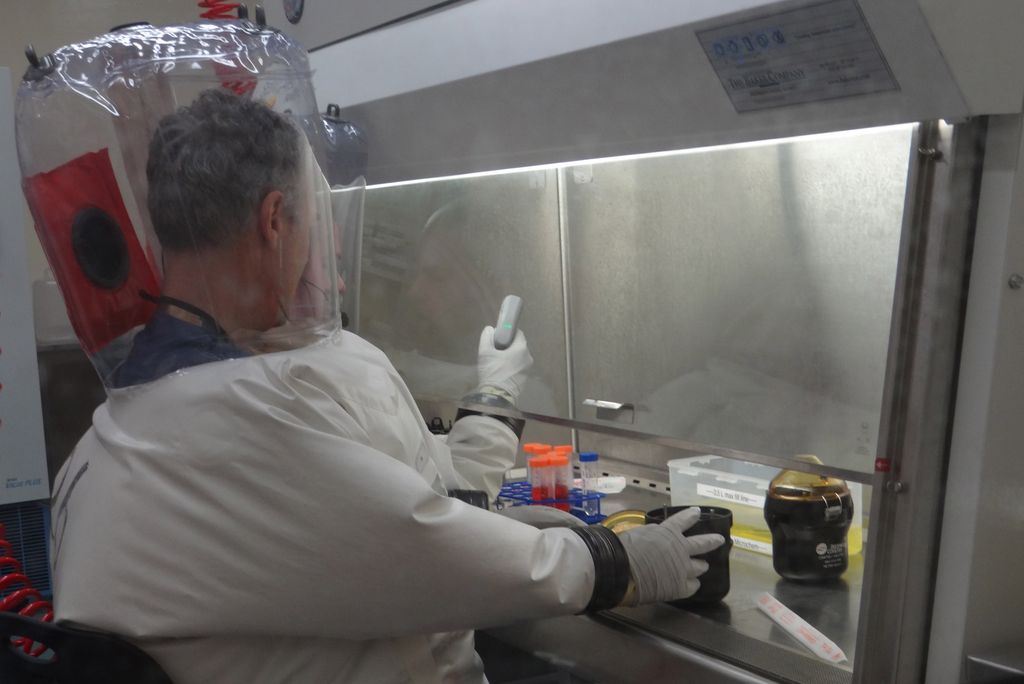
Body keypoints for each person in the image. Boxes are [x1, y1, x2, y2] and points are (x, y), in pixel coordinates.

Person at [49, 89, 723, 684]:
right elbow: (426, 547)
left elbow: (397, 522)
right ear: (276, 220)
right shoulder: (239, 416)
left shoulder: (120, 427)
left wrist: (500, 442)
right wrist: (619, 560)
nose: (331, 277)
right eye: (315, 232)